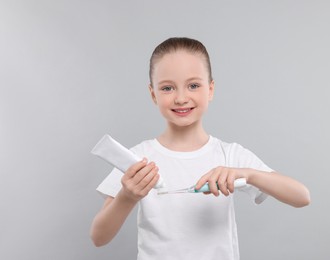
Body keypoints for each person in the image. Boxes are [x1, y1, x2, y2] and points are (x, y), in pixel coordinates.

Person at [90, 37, 310, 260]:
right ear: (153, 94)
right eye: (167, 88)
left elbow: (301, 196)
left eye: (193, 85)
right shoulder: (137, 159)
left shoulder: (229, 155)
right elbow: (99, 237)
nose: (181, 98)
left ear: (211, 89)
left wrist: (247, 174)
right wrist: (127, 196)